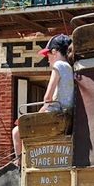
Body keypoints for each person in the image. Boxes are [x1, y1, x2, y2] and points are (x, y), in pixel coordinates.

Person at [12, 33, 74, 161]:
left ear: (55, 52)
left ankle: (20, 165)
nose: (47, 59)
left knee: (17, 131)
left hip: (54, 115)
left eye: (47, 55)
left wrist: (33, 116)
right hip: (64, 116)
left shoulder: (59, 65)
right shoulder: (70, 68)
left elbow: (47, 97)